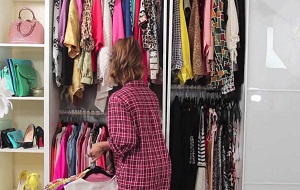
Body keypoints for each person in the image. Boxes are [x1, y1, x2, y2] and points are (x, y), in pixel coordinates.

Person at [88, 37, 171, 189]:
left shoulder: (119, 99)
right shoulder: (150, 95)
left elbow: (125, 141)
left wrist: (101, 146)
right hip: (160, 166)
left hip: (137, 171)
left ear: (117, 64)